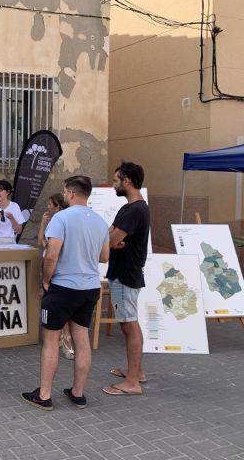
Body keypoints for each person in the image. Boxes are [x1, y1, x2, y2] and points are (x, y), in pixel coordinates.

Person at [22, 176, 109, 411]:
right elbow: (104, 257)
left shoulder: (61, 218)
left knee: (50, 341)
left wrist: (45, 278)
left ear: (70, 193)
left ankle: (44, 395)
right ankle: (78, 394)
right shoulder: (101, 222)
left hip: (63, 287)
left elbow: (51, 255)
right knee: (81, 340)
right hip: (89, 287)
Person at [103, 162, 150, 396]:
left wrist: (114, 241)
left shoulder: (134, 210)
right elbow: (109, 235)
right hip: (124, 272)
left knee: (129, 325)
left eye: (115, 181)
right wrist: (113, 239)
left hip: (126, 274)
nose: (113, 185)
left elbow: (111, 241)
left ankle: (132, 382)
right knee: (130, 323)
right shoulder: (128, 208)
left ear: (127, 181)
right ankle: (137, 372)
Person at [38, 193, 74, 361]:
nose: (48, 206)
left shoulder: (62, 221)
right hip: (48, 263)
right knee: (50, 301)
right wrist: (43, 224)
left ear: (57, 206)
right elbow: (42, 242)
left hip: (57, 267)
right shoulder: (52, 221)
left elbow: (53, 248)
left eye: (50, 204)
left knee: (60, 305)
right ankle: (59, 339)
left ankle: (66, 343)